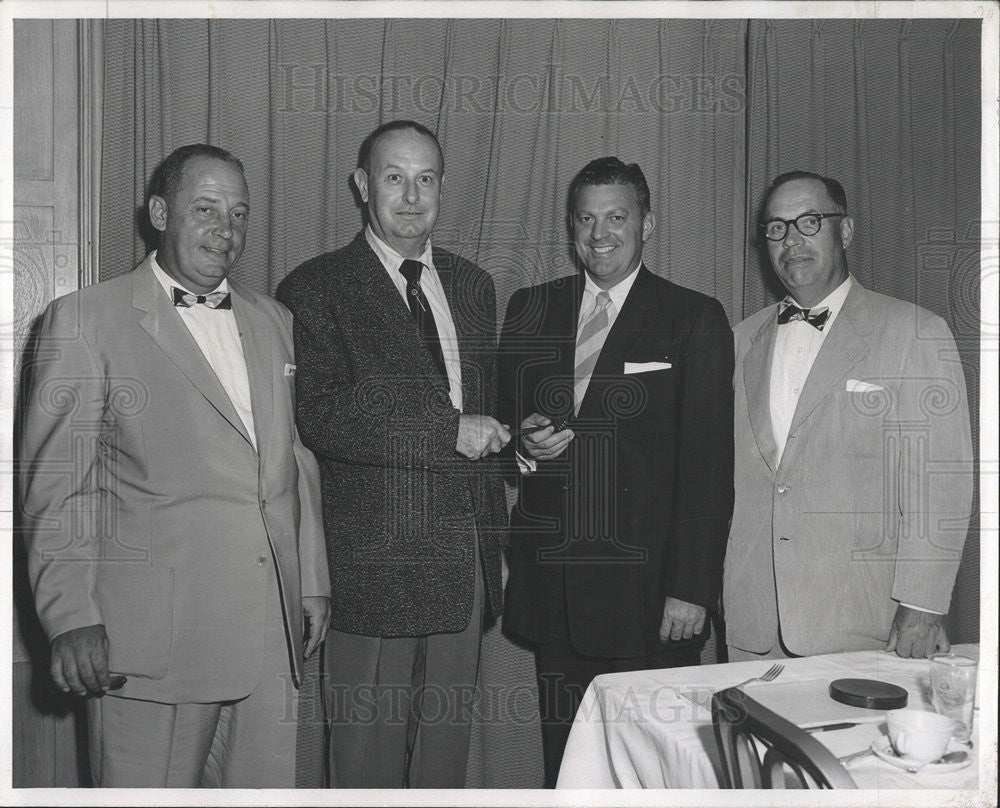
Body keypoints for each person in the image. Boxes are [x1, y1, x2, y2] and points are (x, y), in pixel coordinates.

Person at [19, 144, 331, 787]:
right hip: (151, 644)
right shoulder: (84, 320)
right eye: (207, 209)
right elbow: (57, 490)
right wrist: (70, 614)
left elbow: (293, 458)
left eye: (240, 214)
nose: (227, 230)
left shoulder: (273, 320)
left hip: (269, 638)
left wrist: (311, 579)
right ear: (160, 212)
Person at [276, 120, 510, 789]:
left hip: (463, 562)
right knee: (364, 765)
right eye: (394, 177)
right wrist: (448, 433)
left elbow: (476, 409)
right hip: (371, 568)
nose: (412, 196)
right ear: (361, 185)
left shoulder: (472, 285)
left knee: (444, 762)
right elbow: (320, 414)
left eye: (426, 178)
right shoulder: (316, 287)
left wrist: (515, 447)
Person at [497, 157, 735, 786]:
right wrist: (522, 446)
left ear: (646, 224)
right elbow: (501, 429)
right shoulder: (530, 308)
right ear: (570, 227)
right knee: (569, 773)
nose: (599, 234)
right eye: (585, 218)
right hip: (556, 596)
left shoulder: (693, 317)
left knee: (655, 777)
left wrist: (692, 587)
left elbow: (709, 466)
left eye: (616, 217)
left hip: (651, 600)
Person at [724, 170, 974, 661]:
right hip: (753, 626)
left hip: (865, 625)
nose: (791, 240)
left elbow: (939, 485)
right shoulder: (736, 342)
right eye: (776, 228)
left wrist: (922, 607)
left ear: (846, 231)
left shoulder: (914, 332)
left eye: (809, 222)